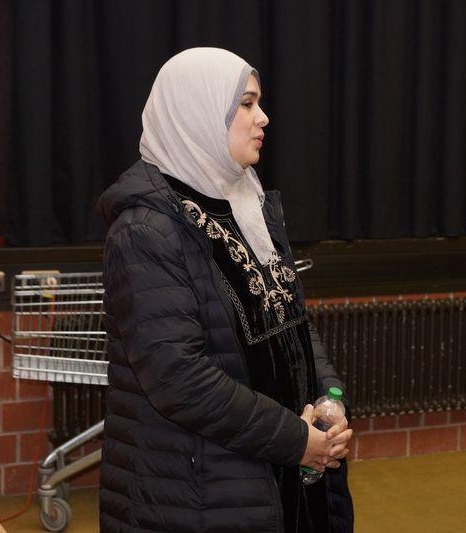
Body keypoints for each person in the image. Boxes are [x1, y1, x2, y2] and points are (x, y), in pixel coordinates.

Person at [97, 48, 354, 532]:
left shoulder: (248, 203)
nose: (264, 117)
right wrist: (296, 439)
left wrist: (329, 399)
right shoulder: (145, 230)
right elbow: (179, 379)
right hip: (201, 492)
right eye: (246, 103)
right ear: (197, 113)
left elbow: (293, 323)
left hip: (282, 472)